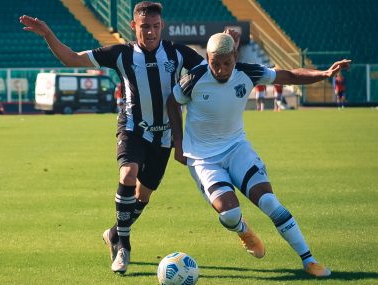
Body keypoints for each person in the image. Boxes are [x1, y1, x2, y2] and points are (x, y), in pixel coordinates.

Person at [20, 1, 239, 274]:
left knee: (142, 196)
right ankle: (123, 246)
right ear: (134, 26)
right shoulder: (120, 53)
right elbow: (72, 59)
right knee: (127, 175)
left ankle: (114, 233)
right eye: (145, 26)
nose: (151, 32)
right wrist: (48, 34)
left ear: (162, 26)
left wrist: (229, 48)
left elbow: (215, 71)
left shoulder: (178, 53)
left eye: (156, 26)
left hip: (164, 136)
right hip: (133, 128)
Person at [167, 33, 351, 277]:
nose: (221, 70)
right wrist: (177, 143)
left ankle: (309, 260)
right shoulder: (193, 79)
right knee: (230, 214)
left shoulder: (249, 72)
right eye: (215, 64)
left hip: (236, 148)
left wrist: (325, 74)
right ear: (207, 59)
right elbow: (172, 101)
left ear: (235, 56)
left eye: (226, 63)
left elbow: (291, 75)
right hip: (204, 158)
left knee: (268, 201)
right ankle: (242, 229)